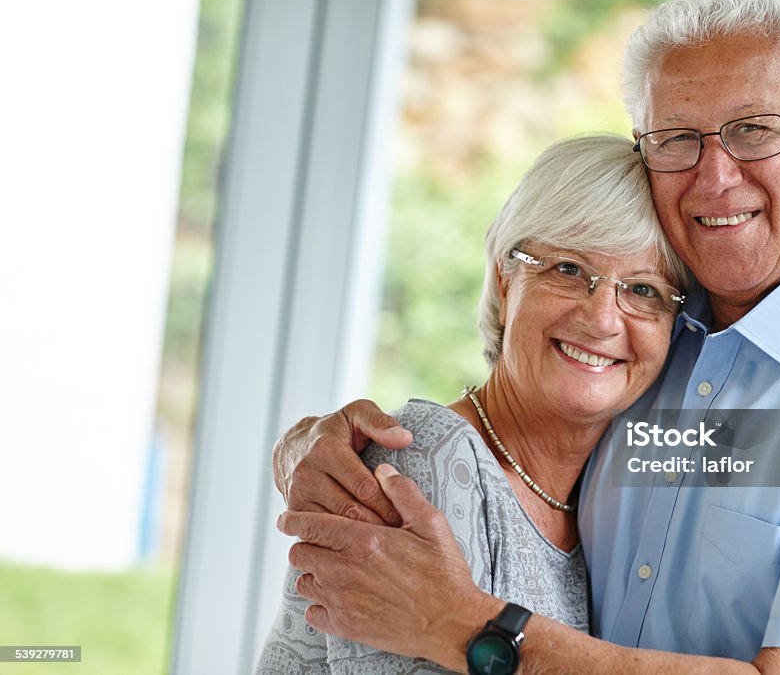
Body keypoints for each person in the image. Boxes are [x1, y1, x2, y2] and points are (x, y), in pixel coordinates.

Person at [274, 0, 780, 673]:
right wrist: (319, 446)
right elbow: (497, 443)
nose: (713, 176)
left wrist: (468, 624)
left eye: (753, 131)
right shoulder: (657, 331)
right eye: (675, 138)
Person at [256, 134, 689, 673]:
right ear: (507, 283)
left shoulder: (603, 494)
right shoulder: (430, 461)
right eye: (568, 270)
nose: (602, 318)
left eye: (644, 290)